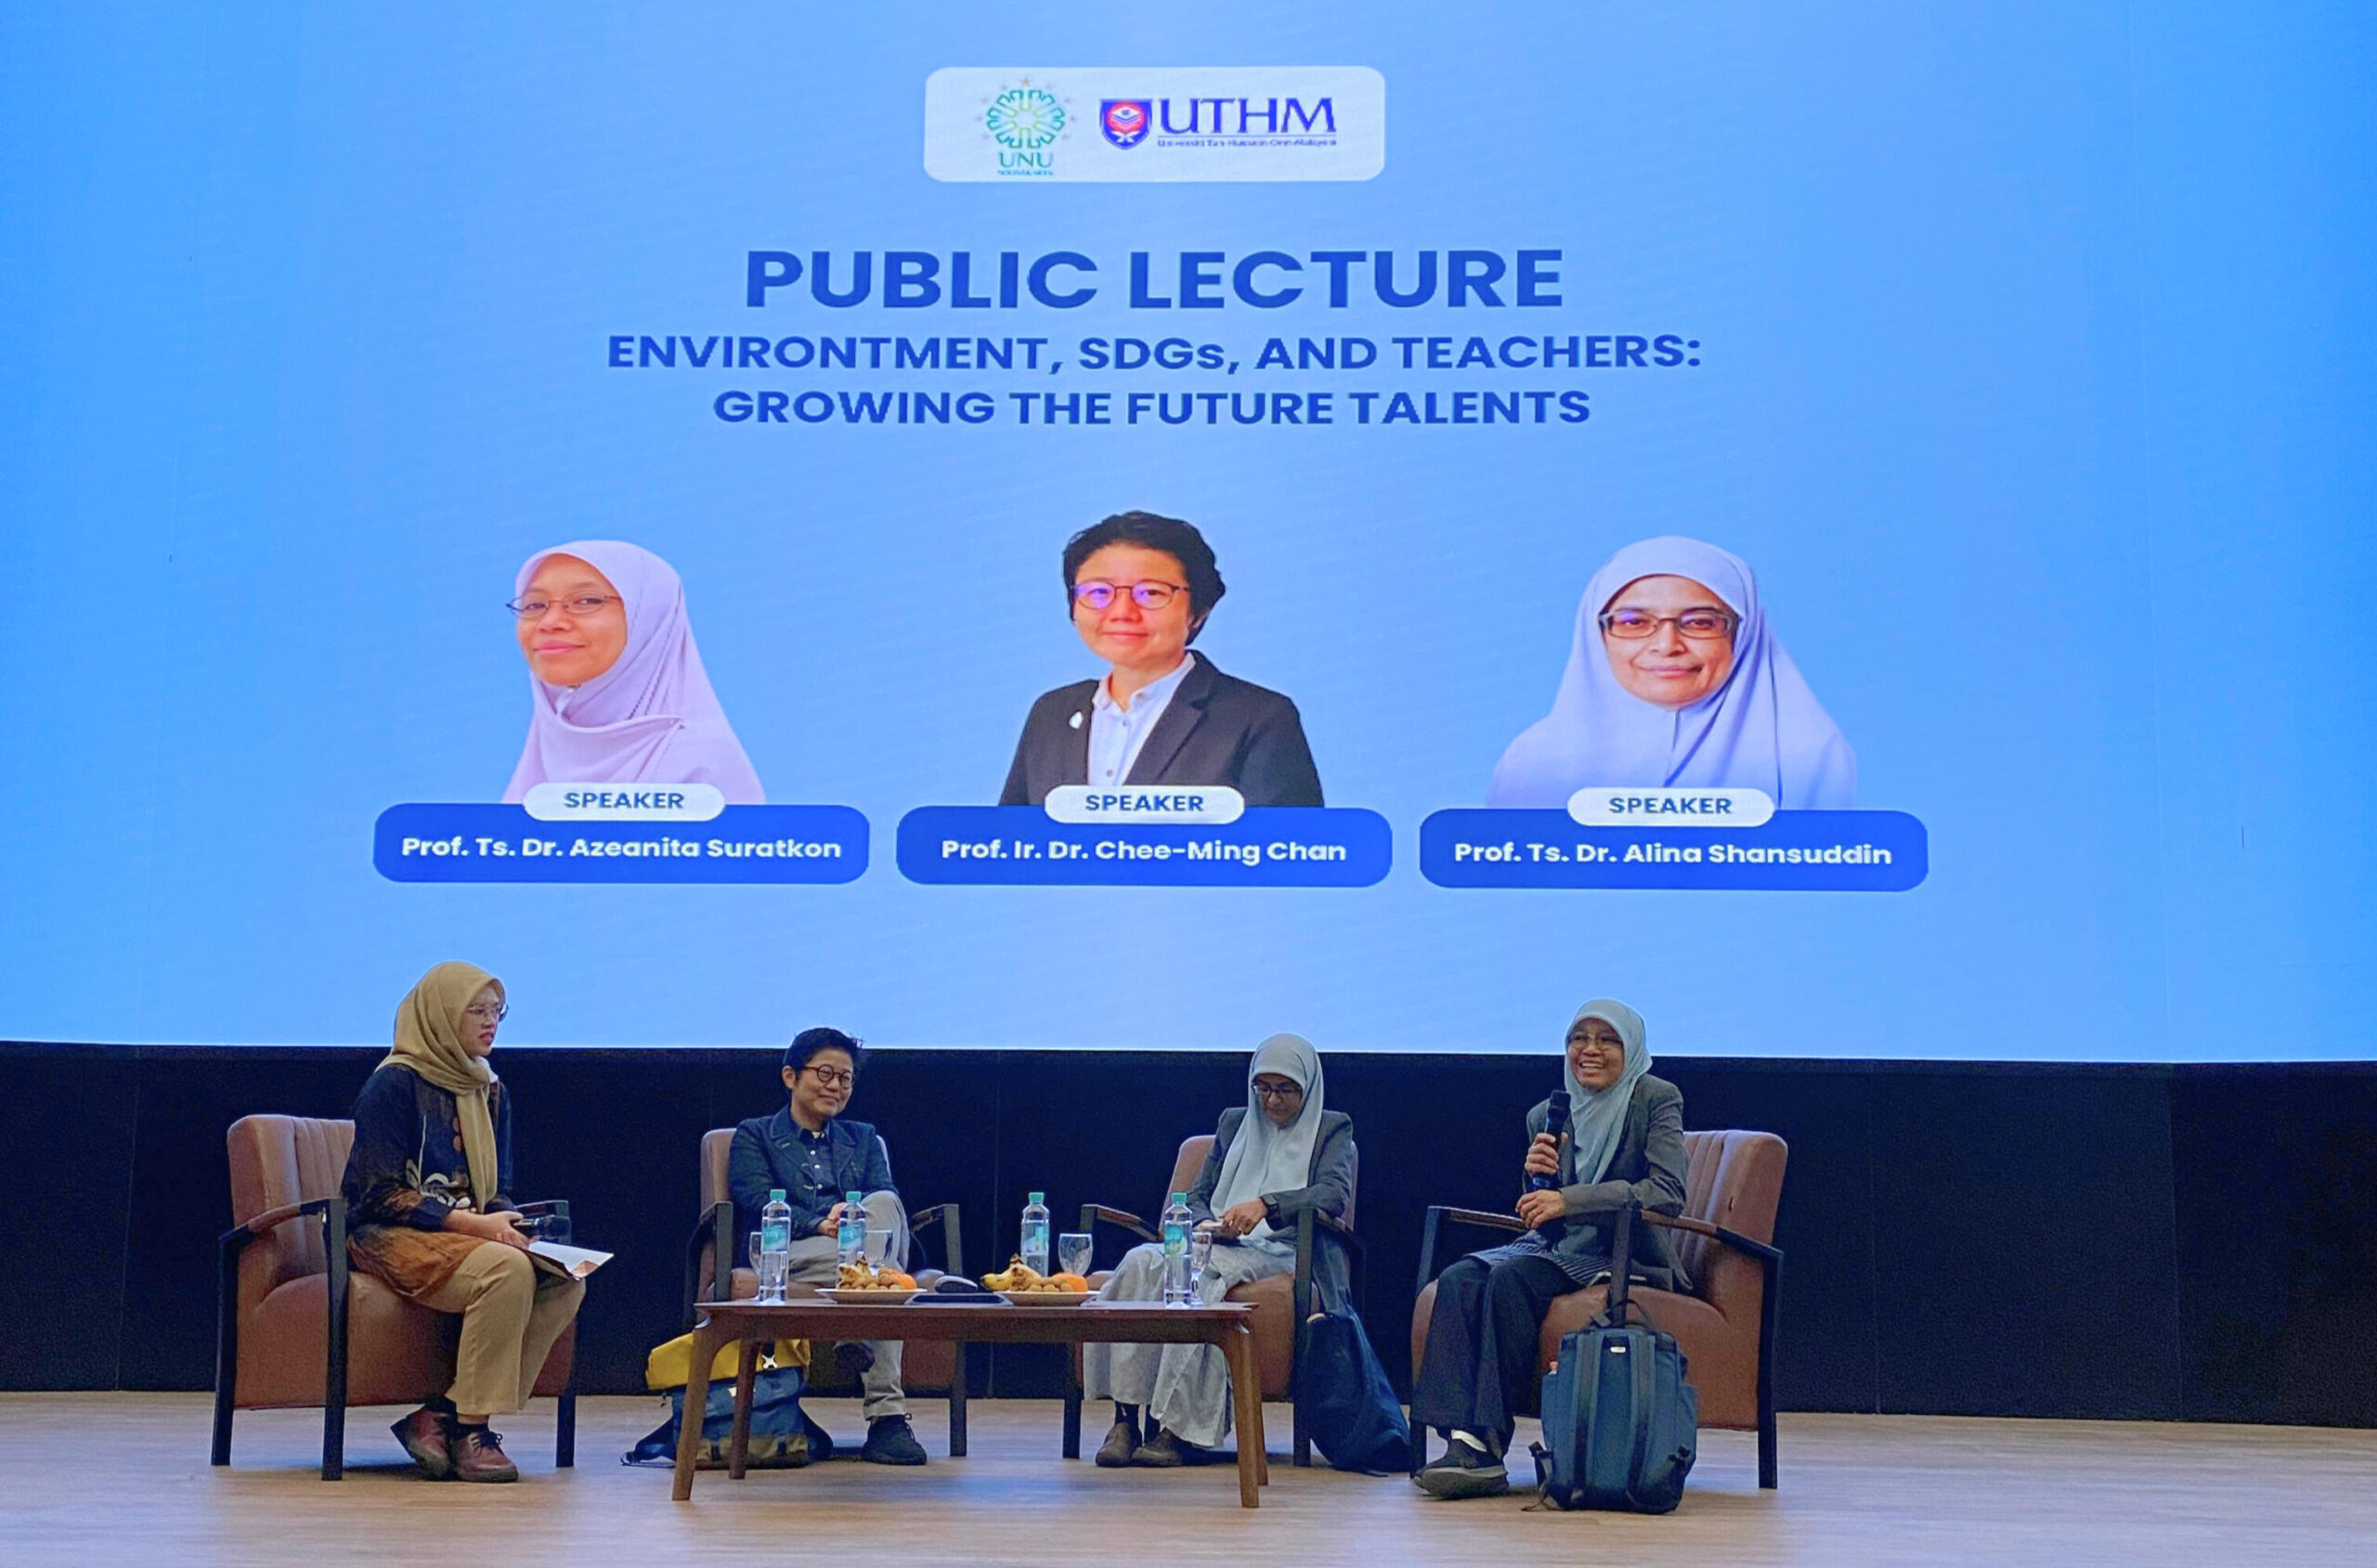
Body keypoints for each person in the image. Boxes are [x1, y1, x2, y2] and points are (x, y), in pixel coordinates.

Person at [1409, 999, 1689, 1500]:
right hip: (1557, 1249)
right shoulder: (1548, 1112)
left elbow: (1666, 1192)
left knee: (1511, 1279)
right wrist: (1539, 1175)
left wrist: (1568, 1198)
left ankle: (1488, 1443)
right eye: (1579, 1038)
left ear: (1632, 1047)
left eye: (1607, 1040)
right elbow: (1542, 1210)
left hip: (1623, 1256)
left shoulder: (1654, 1098)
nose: (1590, 1050)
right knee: (1458, 1277)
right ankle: (1459, 1440)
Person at [341, 962, 584, 1483]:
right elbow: (379, 1194)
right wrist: (479, 1228)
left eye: (498, 1012)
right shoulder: (393, 1084)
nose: (491, 1022)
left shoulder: (489, 1088)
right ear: (441, 1015)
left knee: (565, 1277)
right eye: (477, 1011)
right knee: (505, 1270)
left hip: (463, 1234)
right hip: (390, 1236)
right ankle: (473, 1430)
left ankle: (440, 1416)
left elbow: (493, 1192)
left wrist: (506, 1219)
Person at [1083, 1033, 1355, 1467]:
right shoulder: (1234, 1123)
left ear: (1307, 1089)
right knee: (1137, 1263)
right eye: (1262, 1088)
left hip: (1280, 1247)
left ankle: (1176, 1428)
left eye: (1284, 1089)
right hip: (1215, 1241)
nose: (1271, 1101)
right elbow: (1196, 1196)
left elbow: (1332, 1194)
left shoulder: (1331, 1129)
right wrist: (1209, 1222)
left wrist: (1266, 1205)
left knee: (1202, 1278)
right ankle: (1125, 1420)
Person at [1487, 536, 1855, 809]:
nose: (1666, 644)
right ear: (1596, 635)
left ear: (1744, 633)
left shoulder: (1810, 756)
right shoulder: (1533, 759)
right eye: (1633, 621)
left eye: (1699, 622)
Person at [1000, 511, 1324, 806]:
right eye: (1098, 592)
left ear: (1197, 611)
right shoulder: (1052, 713)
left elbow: (1287, 855)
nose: (1122, 612)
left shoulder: (1257, 717)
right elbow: (1008, 848)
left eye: (1151, 593)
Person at [726, 1027, 927, 1465]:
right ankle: (888, 1419)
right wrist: (820, 1223)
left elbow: (884, 1206)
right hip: (789, 1252)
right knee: (885, 1279)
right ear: (790, 1077)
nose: (836, 1086)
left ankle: (860, 1300)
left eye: (846, 1078)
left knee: (884, 1203)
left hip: (859, 1249)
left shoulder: (864, 1138)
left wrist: (850, 1223)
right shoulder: (754, 1135)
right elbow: (757, 1200)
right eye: (825, 1073)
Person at [501, 539, 764, 803]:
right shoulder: (545, 753)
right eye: (534, 605)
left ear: (648, 617)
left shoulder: (699, 763)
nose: (550, 622)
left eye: (586, 600)